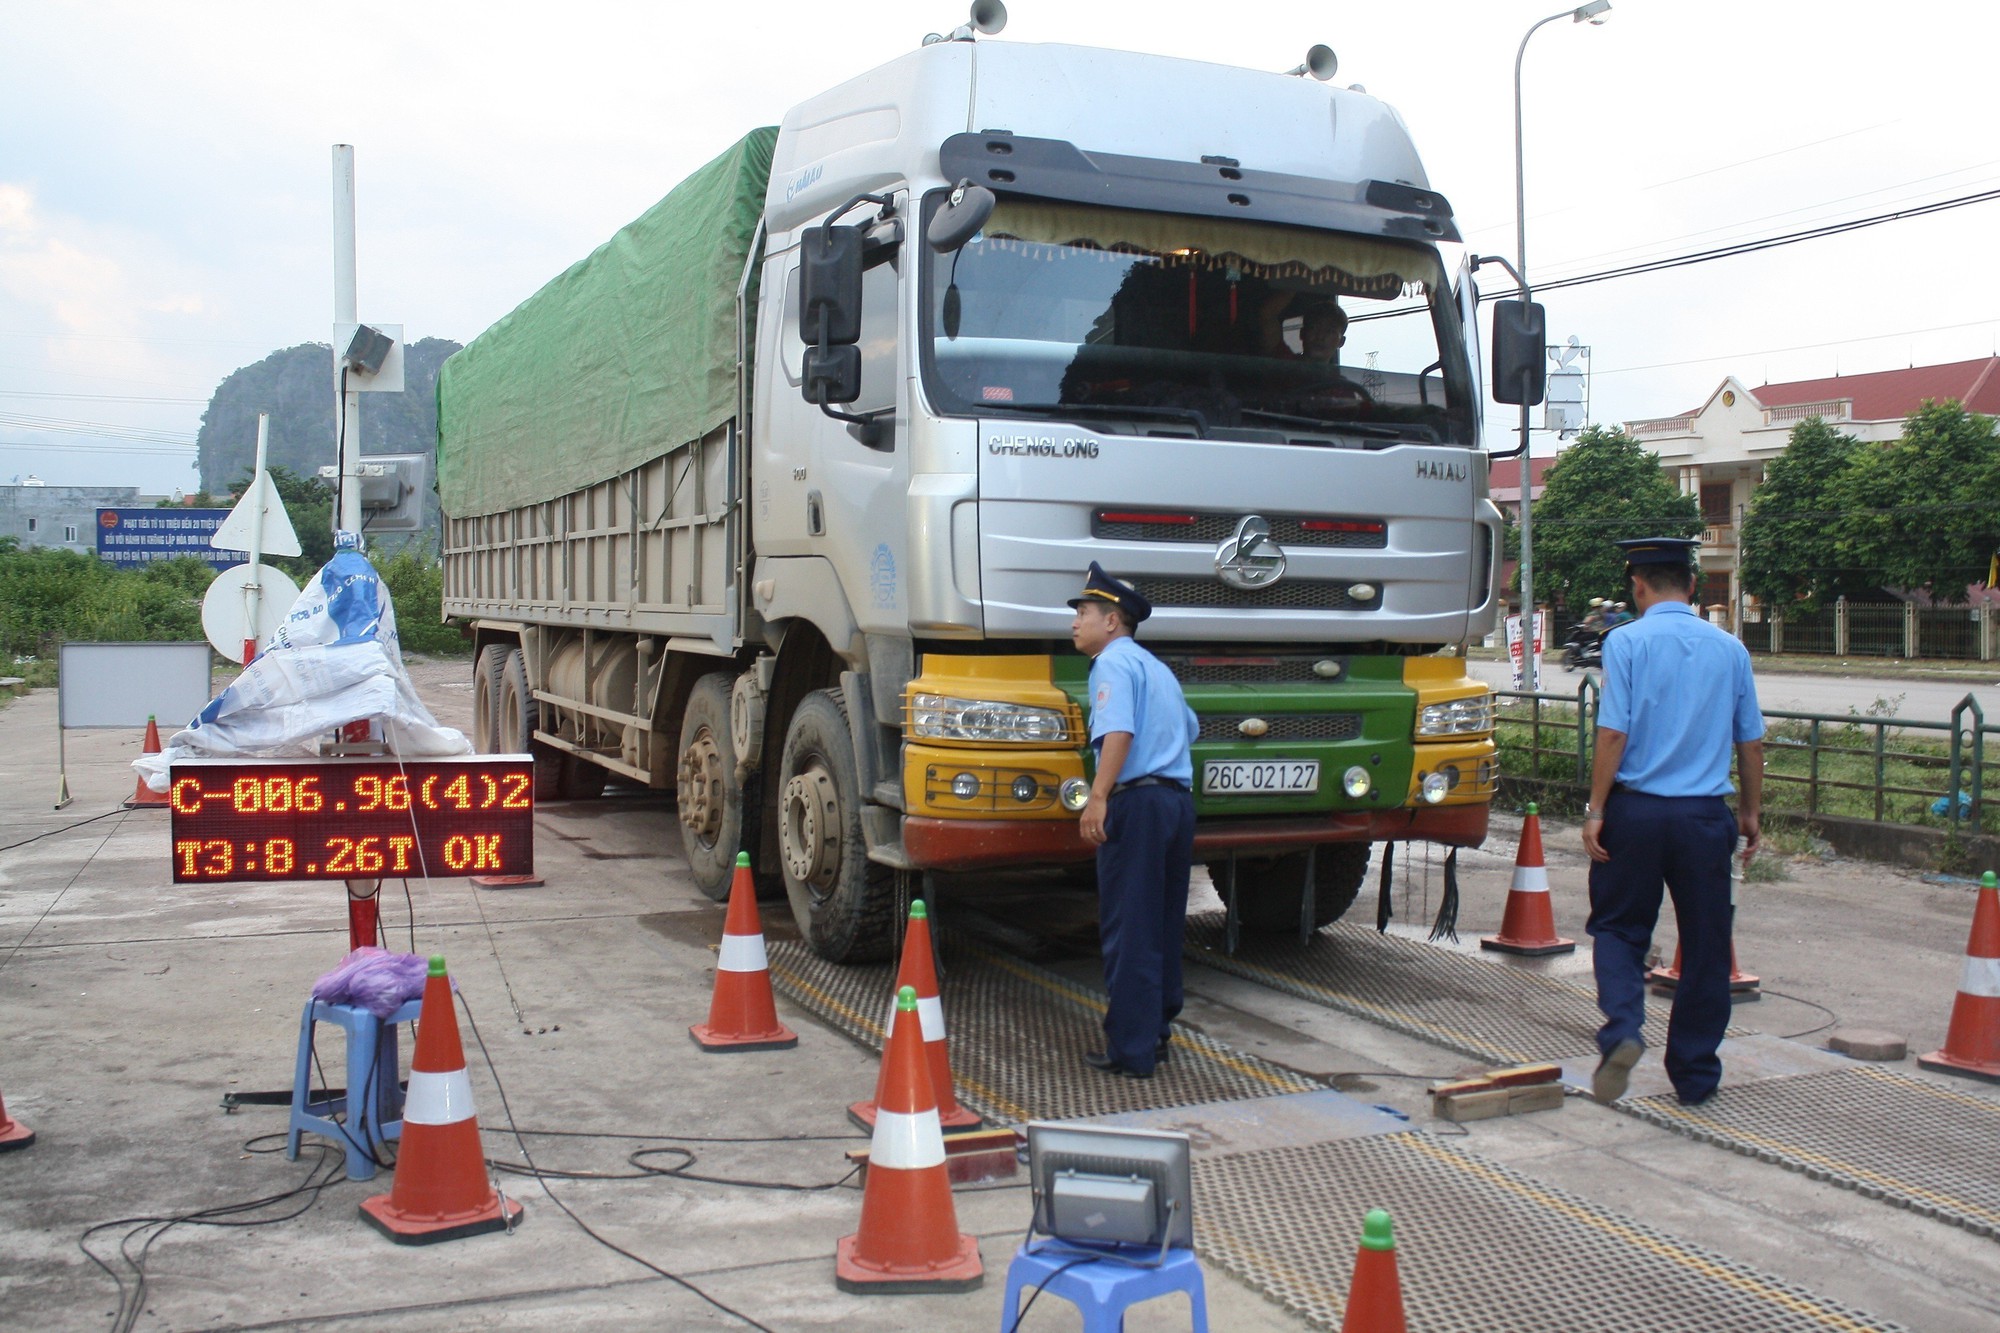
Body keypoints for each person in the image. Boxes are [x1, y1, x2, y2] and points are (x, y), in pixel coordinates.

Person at [1582, 537, 1763, 1107]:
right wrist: (1751, 814)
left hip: (1635, 813)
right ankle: (1694, 1077)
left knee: (1618, 929)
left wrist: (1596, 809)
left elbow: (1614, 732)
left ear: (1637, 586)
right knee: (1707, 944)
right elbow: (1751, 741)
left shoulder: (1625, 641)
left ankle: (1623, 1032)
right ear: (1694, 585)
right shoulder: (1730, 648)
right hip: (1705, 818)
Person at [1068, 561, 1199, 1080]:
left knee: (1130, 927)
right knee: (1163, 923)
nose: (1075, 622)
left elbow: (1118, 732)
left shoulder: (1112, 666)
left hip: (1138, 806)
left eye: (1084, 613)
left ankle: (1131, 1049)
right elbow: (1189, 729)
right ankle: (1157, 1032)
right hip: (1174, 803)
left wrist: (1099, 796)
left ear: (1113, 622)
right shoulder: (1155, 667)